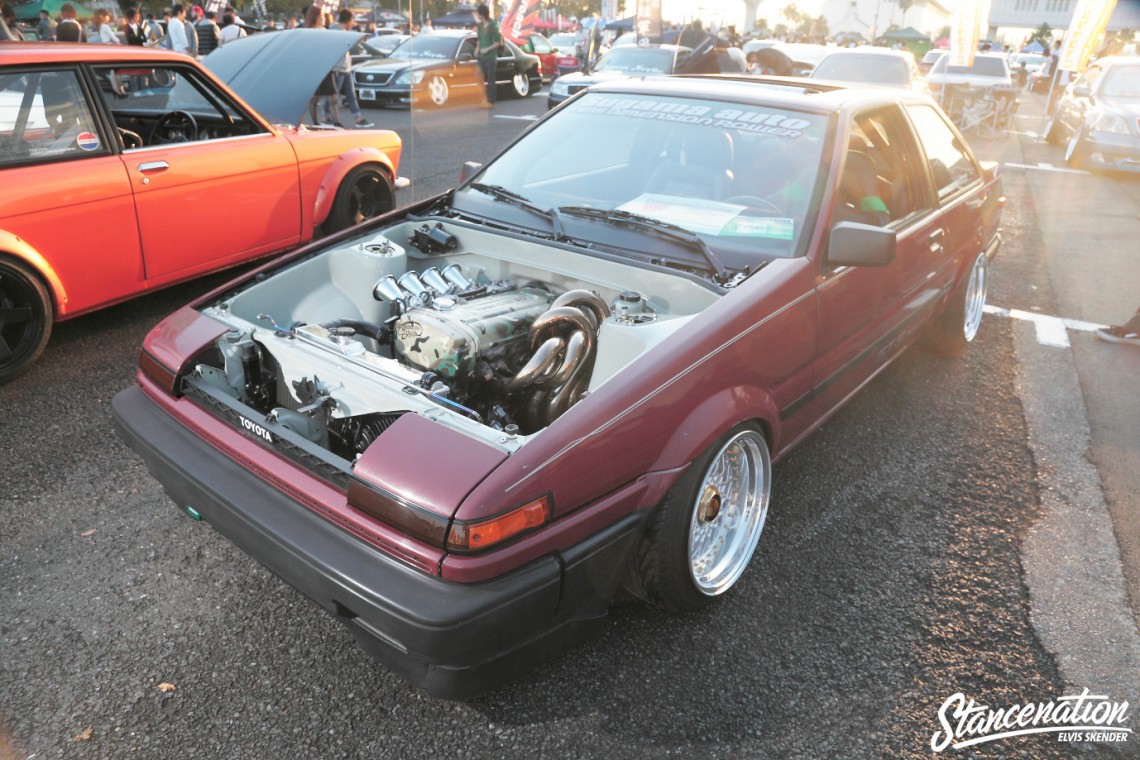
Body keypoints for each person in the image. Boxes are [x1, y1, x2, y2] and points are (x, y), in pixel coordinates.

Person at [327, 10, 375, 128]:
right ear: (348, 21)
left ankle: (358, 118)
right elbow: (352, 44)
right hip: (338, 67)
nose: (353, 23)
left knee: (349, 94)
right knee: (333, 95)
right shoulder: (339, 32)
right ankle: (326, 116)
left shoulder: (339, 31)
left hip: (345, 67)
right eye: (352, 20)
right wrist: (364, 34)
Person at [473, 3, 501, 107]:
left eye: (478, 14)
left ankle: (490, 101)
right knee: (478, 76)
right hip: (481, 56)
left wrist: (488, 49)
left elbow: (498, 41)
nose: (477, 16)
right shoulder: (480, 25)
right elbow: (479, 38)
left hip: (490, 57)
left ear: (482, 14)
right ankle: (483, 98)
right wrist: (477, 49)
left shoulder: (493, 25)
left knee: (490, 80)